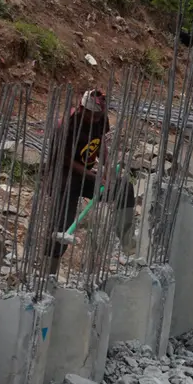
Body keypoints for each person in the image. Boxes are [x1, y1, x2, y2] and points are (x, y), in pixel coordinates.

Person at [44, 89, 136, 276]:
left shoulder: (100, 118)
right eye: (91, 116)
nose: (95, 120)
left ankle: (128, 245)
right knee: (60, 228)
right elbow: (65, 160)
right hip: (64, 180)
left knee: (124, 189)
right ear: (81, 108)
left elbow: (100, 142)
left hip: (87, 177)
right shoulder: (66, 126)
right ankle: (47, 276)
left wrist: (108, 168)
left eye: (98, 116)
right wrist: (94, 176)